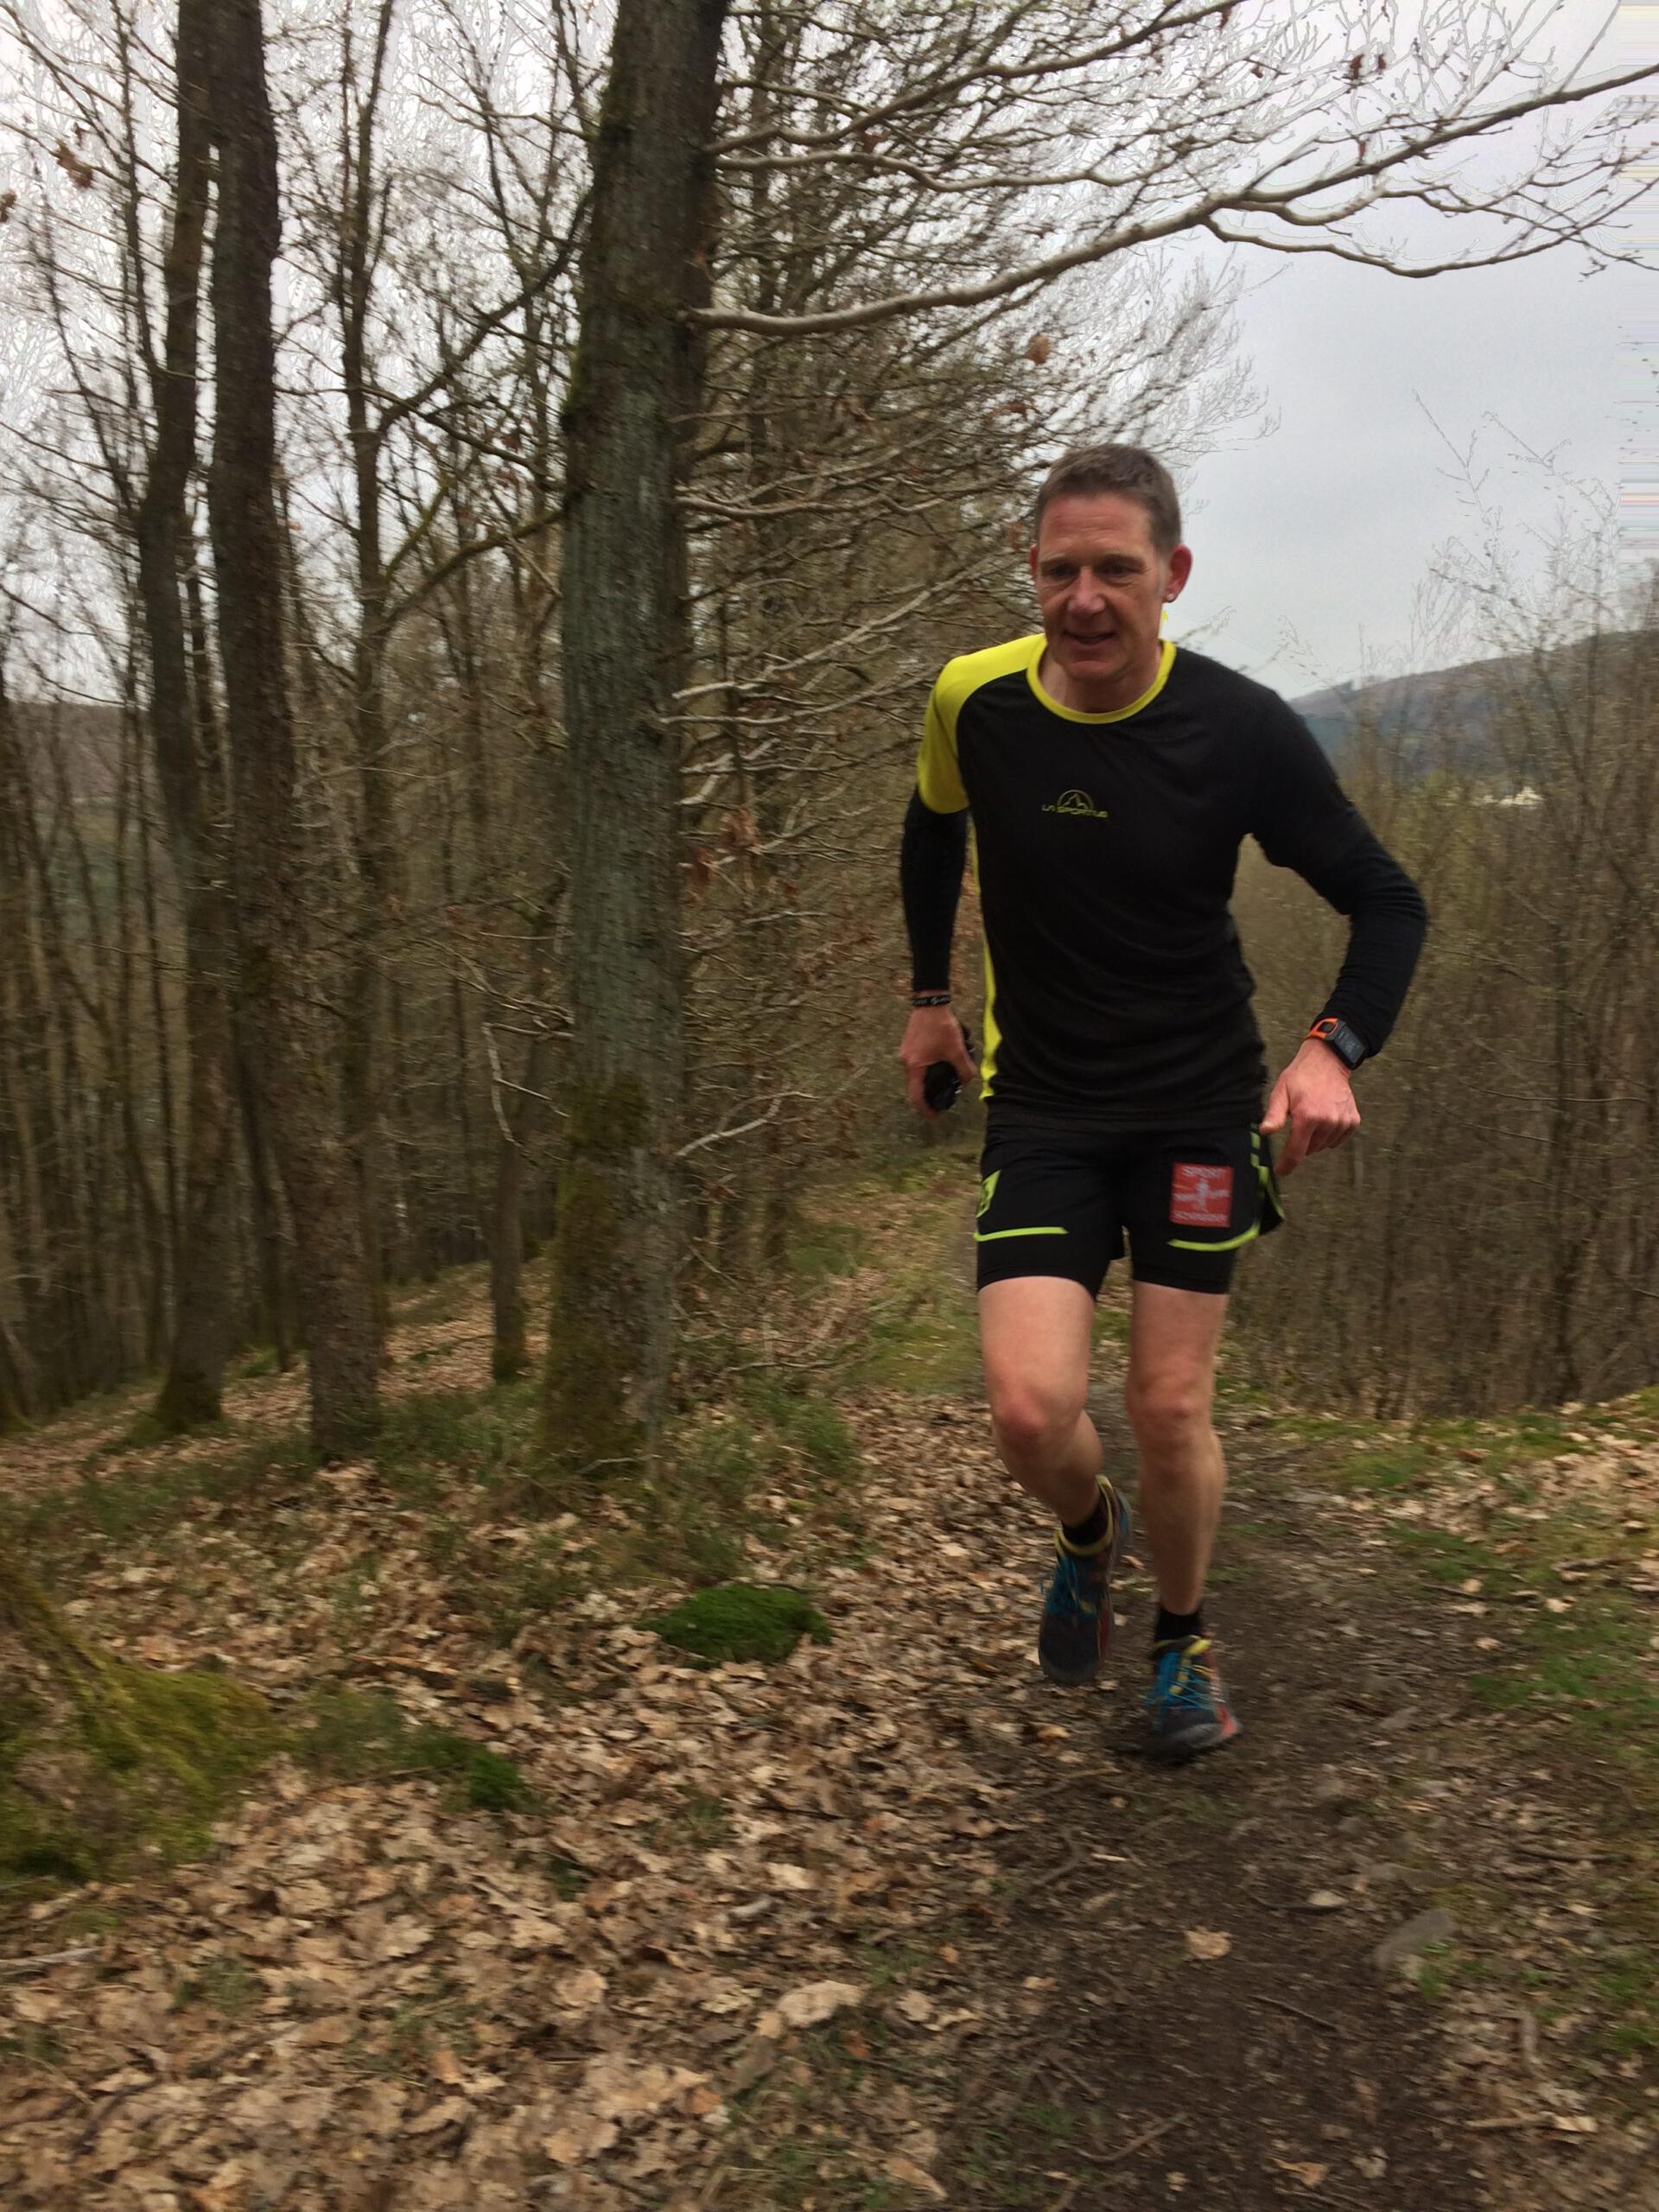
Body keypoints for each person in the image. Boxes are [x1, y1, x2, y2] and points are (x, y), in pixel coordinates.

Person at [898, 444, 1427, 1760]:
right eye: (1060, 570)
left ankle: (1183, 1643)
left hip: (1196, 1109)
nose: (1085, 599)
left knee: (1168, 1405)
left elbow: (1387, 900)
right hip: (1046, 1105)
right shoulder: (973, 700)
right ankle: (1092, 1535)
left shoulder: (1240, 730)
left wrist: (1330, 1052)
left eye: (1116, 571)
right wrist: (929, 997)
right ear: (1031, 571)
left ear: (1172, 575)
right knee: (1031, 1411)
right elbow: (932, 826)